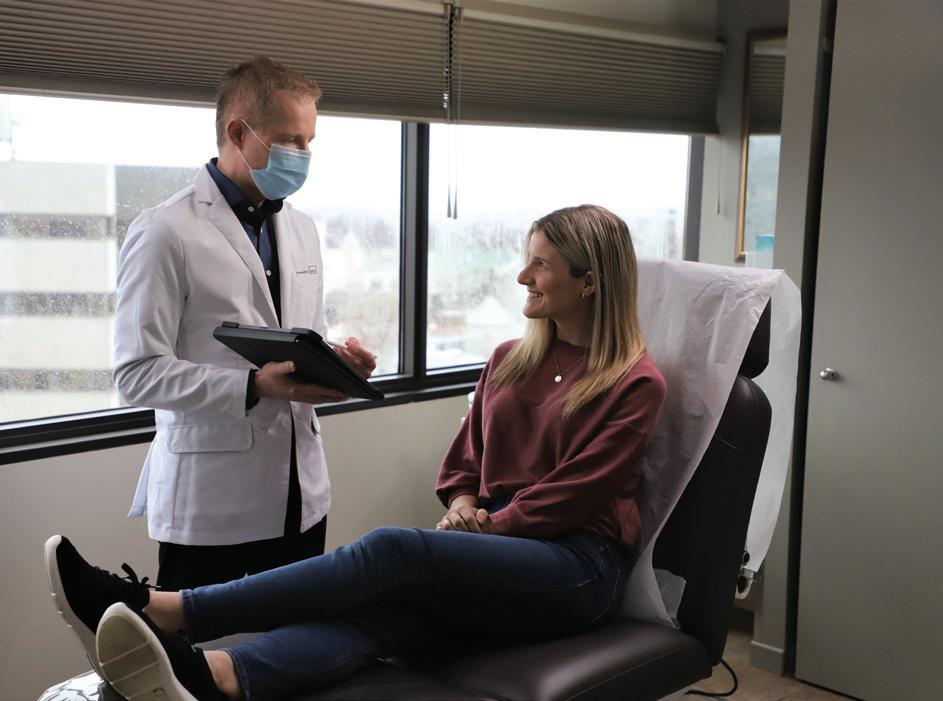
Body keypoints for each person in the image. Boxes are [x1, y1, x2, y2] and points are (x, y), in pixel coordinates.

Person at [48, 204, 666, 701]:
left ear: (590, 281)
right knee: (386, 614)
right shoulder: (510, 358)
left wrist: (485, 529)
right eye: (525, 260)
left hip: (577, 566)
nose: (522, 276)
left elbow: (575, 495)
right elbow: (464, 462)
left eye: (541, 265)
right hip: (496, 541)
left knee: (393, 551)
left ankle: (166, 609)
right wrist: (462, 505)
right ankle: (214, 675)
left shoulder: (635, 384)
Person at [111, 56, 376, 591]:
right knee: (199, 641)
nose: (303, 155)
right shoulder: (165, 231)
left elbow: (295, 336)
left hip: (301, 495)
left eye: (309, 141)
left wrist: (334, 361)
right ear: (238, 132)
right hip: (212, 501)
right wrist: (253, 385)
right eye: (290, 140)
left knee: (297, 636)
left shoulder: (302, 229)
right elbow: (136, 374)